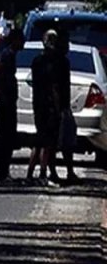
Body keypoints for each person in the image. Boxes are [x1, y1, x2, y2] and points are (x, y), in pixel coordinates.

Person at [27, 30, 60, 185]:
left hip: (38, 104)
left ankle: (31, 174)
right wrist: (57, 105)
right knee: (46, 143)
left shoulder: (37, 61)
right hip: (46, 106)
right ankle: (41, 174)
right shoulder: (49, 62)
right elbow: (52, 87)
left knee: (39, 141)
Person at [0, 28, 24, 182]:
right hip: (5, 103)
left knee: (8, 137)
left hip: (8, 101)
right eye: (21, 39)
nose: (23, 42)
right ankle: (2, 172)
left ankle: (4, 171)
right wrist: (3, 93)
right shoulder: (7, 55)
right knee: (6, 137)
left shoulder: (9, 55)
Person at [50, 32, 79, 183]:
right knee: (56, 141)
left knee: (68, 140)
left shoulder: (62, 61)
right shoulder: (58, 62)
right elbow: (55, 86)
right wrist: (58, 108)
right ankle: (53, 172)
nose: (67, 47)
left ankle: (69, 171)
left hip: (64, 106)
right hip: (59, 108)